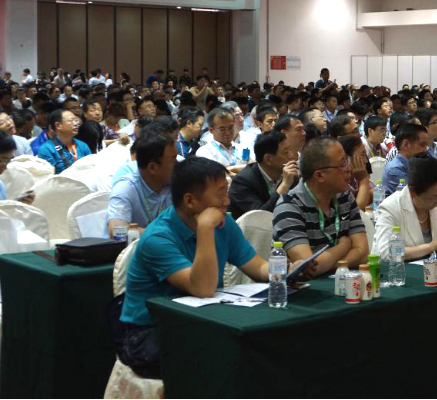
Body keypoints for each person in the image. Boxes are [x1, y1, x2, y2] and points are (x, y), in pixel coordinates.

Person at [117, 157, 314, 378]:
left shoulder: (223, 224)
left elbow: (258, 267)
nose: (227, 201)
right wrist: (205, 228)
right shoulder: (158, 237)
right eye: (220, 193)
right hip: (148, 332)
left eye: (226, 191)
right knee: (225, 358)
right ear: (190, 200)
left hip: (201, 321)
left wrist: (285, 271)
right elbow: (202, 288)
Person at [272, 137, 369, 277]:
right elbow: (308, 267)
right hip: (305, 289)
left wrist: (327, 263)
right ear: (319, 175)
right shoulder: (289, 206)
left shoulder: (345, 197)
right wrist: (344, 246)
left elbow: (363, 254)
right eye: (342, 164)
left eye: (347, 160)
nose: (349, 168)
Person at [372, 155, 437, 260]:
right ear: (412, 192)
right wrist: (429, 247)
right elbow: (385, 252)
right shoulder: (390, 207)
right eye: (433, 196)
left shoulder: (436, 204)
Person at [107, 133, 176, 236]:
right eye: (173, 160)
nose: (178, 163)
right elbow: (116, 231)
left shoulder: (175, 181)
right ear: (152, 168)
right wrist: (161, 236)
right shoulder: (125, 188)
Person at [228, 132, 298, 220]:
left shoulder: (290, 176)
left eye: (290, 150)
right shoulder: (242, 182)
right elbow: (261, 218)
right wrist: (284, 185)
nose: (291, 156)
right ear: (268, 159)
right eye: (286, 152)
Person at [36, 109, 92, 174]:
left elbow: (92, 169)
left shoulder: (83, 145)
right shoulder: (46, 149)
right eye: (71, 121)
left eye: (76, 120)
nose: (76, 123)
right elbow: (49, 176)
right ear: (58, 125)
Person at [195, 108, 249, 173]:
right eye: (222, 129)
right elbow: (214, 174)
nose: (228, 133)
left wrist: (231, 168)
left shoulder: (243, 147)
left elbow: (253, 165)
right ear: (211, 130)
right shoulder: (204, 152)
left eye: (231, 127)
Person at [382, 124, 429, 196]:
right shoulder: (395, 168)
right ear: (406, 144)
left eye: (426, 145)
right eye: (422, 145)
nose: (425, 150)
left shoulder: (416, 163)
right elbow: (415, 195)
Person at [0, 132, 33, 203]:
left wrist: (18, 203)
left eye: (8, 161)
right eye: (2, 160)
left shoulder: (1, 186)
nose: (5, 167)